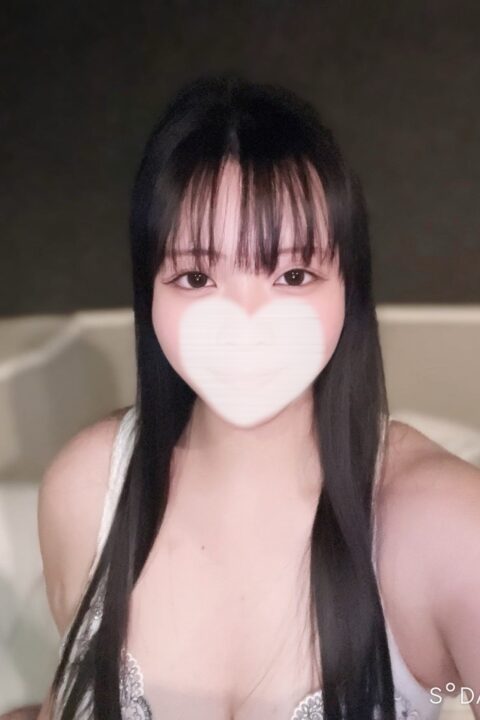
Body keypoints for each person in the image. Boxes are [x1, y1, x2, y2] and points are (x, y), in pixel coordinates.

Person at [30, 75, 480, 719]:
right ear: (149, 294)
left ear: (349, 288)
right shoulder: (85, 489)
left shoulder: (450, 527)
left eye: (293, 274)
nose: (245, 323)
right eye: (195, 277)